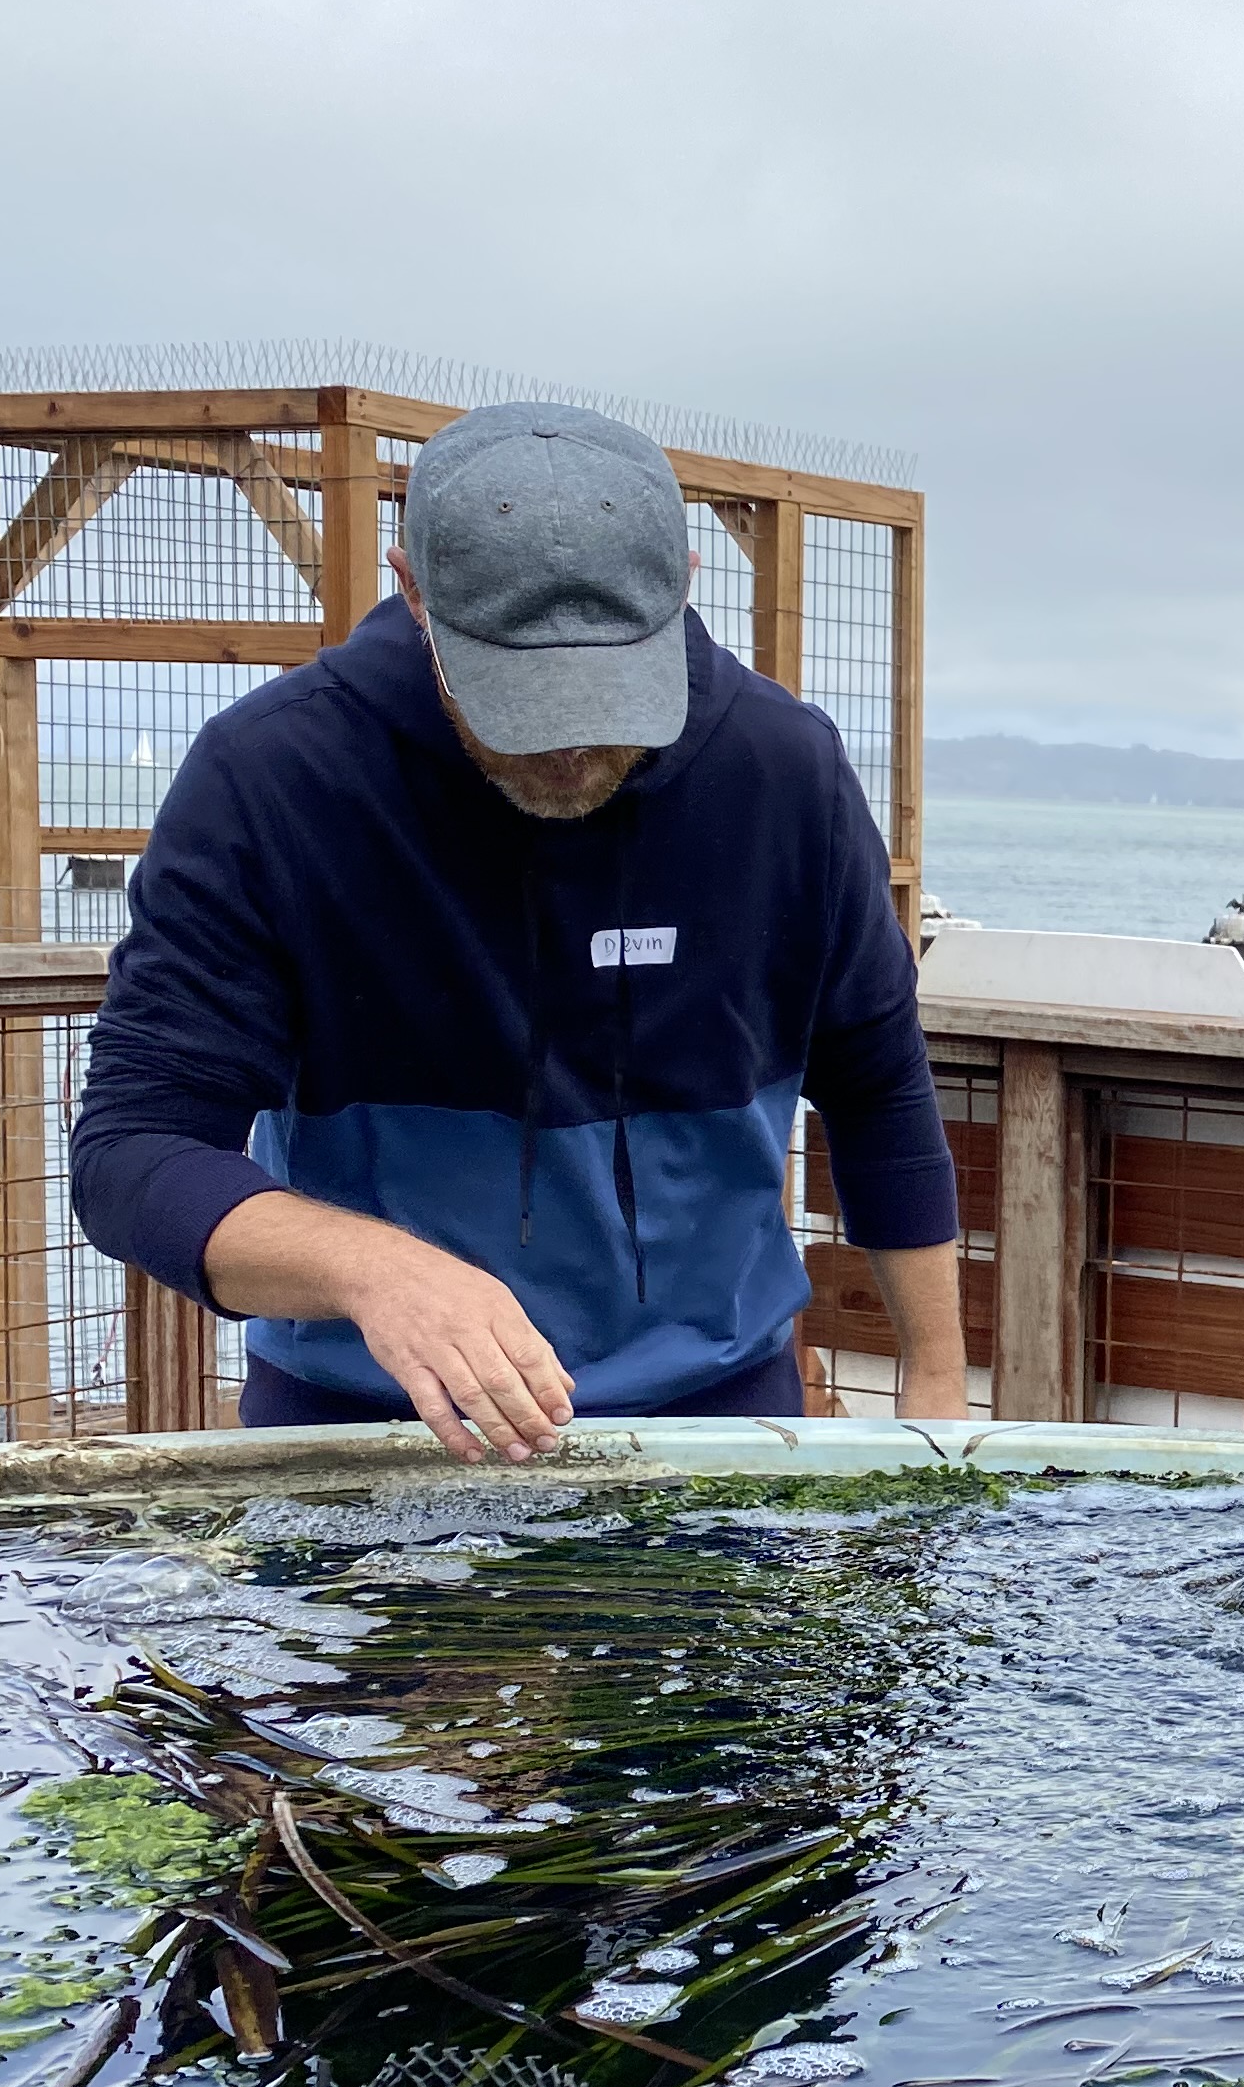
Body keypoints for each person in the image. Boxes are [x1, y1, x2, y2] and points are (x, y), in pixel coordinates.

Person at [71, 401, 964, 1462]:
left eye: (606, 694)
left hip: (722, 1417)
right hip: (365, 1434)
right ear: (412, 589)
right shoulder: (269, 779)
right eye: (524, 698)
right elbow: (133, 1151)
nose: (572, 747)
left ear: (681, 583)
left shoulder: (786, 770)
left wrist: (938, 1384)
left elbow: (876, 1083)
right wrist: (376, 1271)